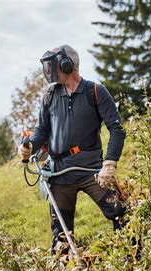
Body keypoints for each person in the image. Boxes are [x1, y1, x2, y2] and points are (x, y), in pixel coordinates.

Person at [20, 44, 127, 255]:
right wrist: (30, 146)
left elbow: (117, 129)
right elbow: (42, 130)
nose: (48, 71)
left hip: (93, 171)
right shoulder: (49, 95)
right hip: (60, 173)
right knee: (61, 235)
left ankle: (133, 265)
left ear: (67, 65)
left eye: (52, 66)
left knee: (121, 215)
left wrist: (109, 163)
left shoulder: (95, 91)